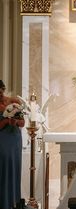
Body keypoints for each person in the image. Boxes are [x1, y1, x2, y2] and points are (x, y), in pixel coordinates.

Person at [0, 80, 25, 209]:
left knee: (14, 167)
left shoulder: (14, 101)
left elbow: (23, 123)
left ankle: (13, 203)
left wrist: (15, 122)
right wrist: (5, 121)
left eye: (0, 91)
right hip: (2, 140)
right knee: (3, 168)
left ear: (3, 89)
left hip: (14, 139)